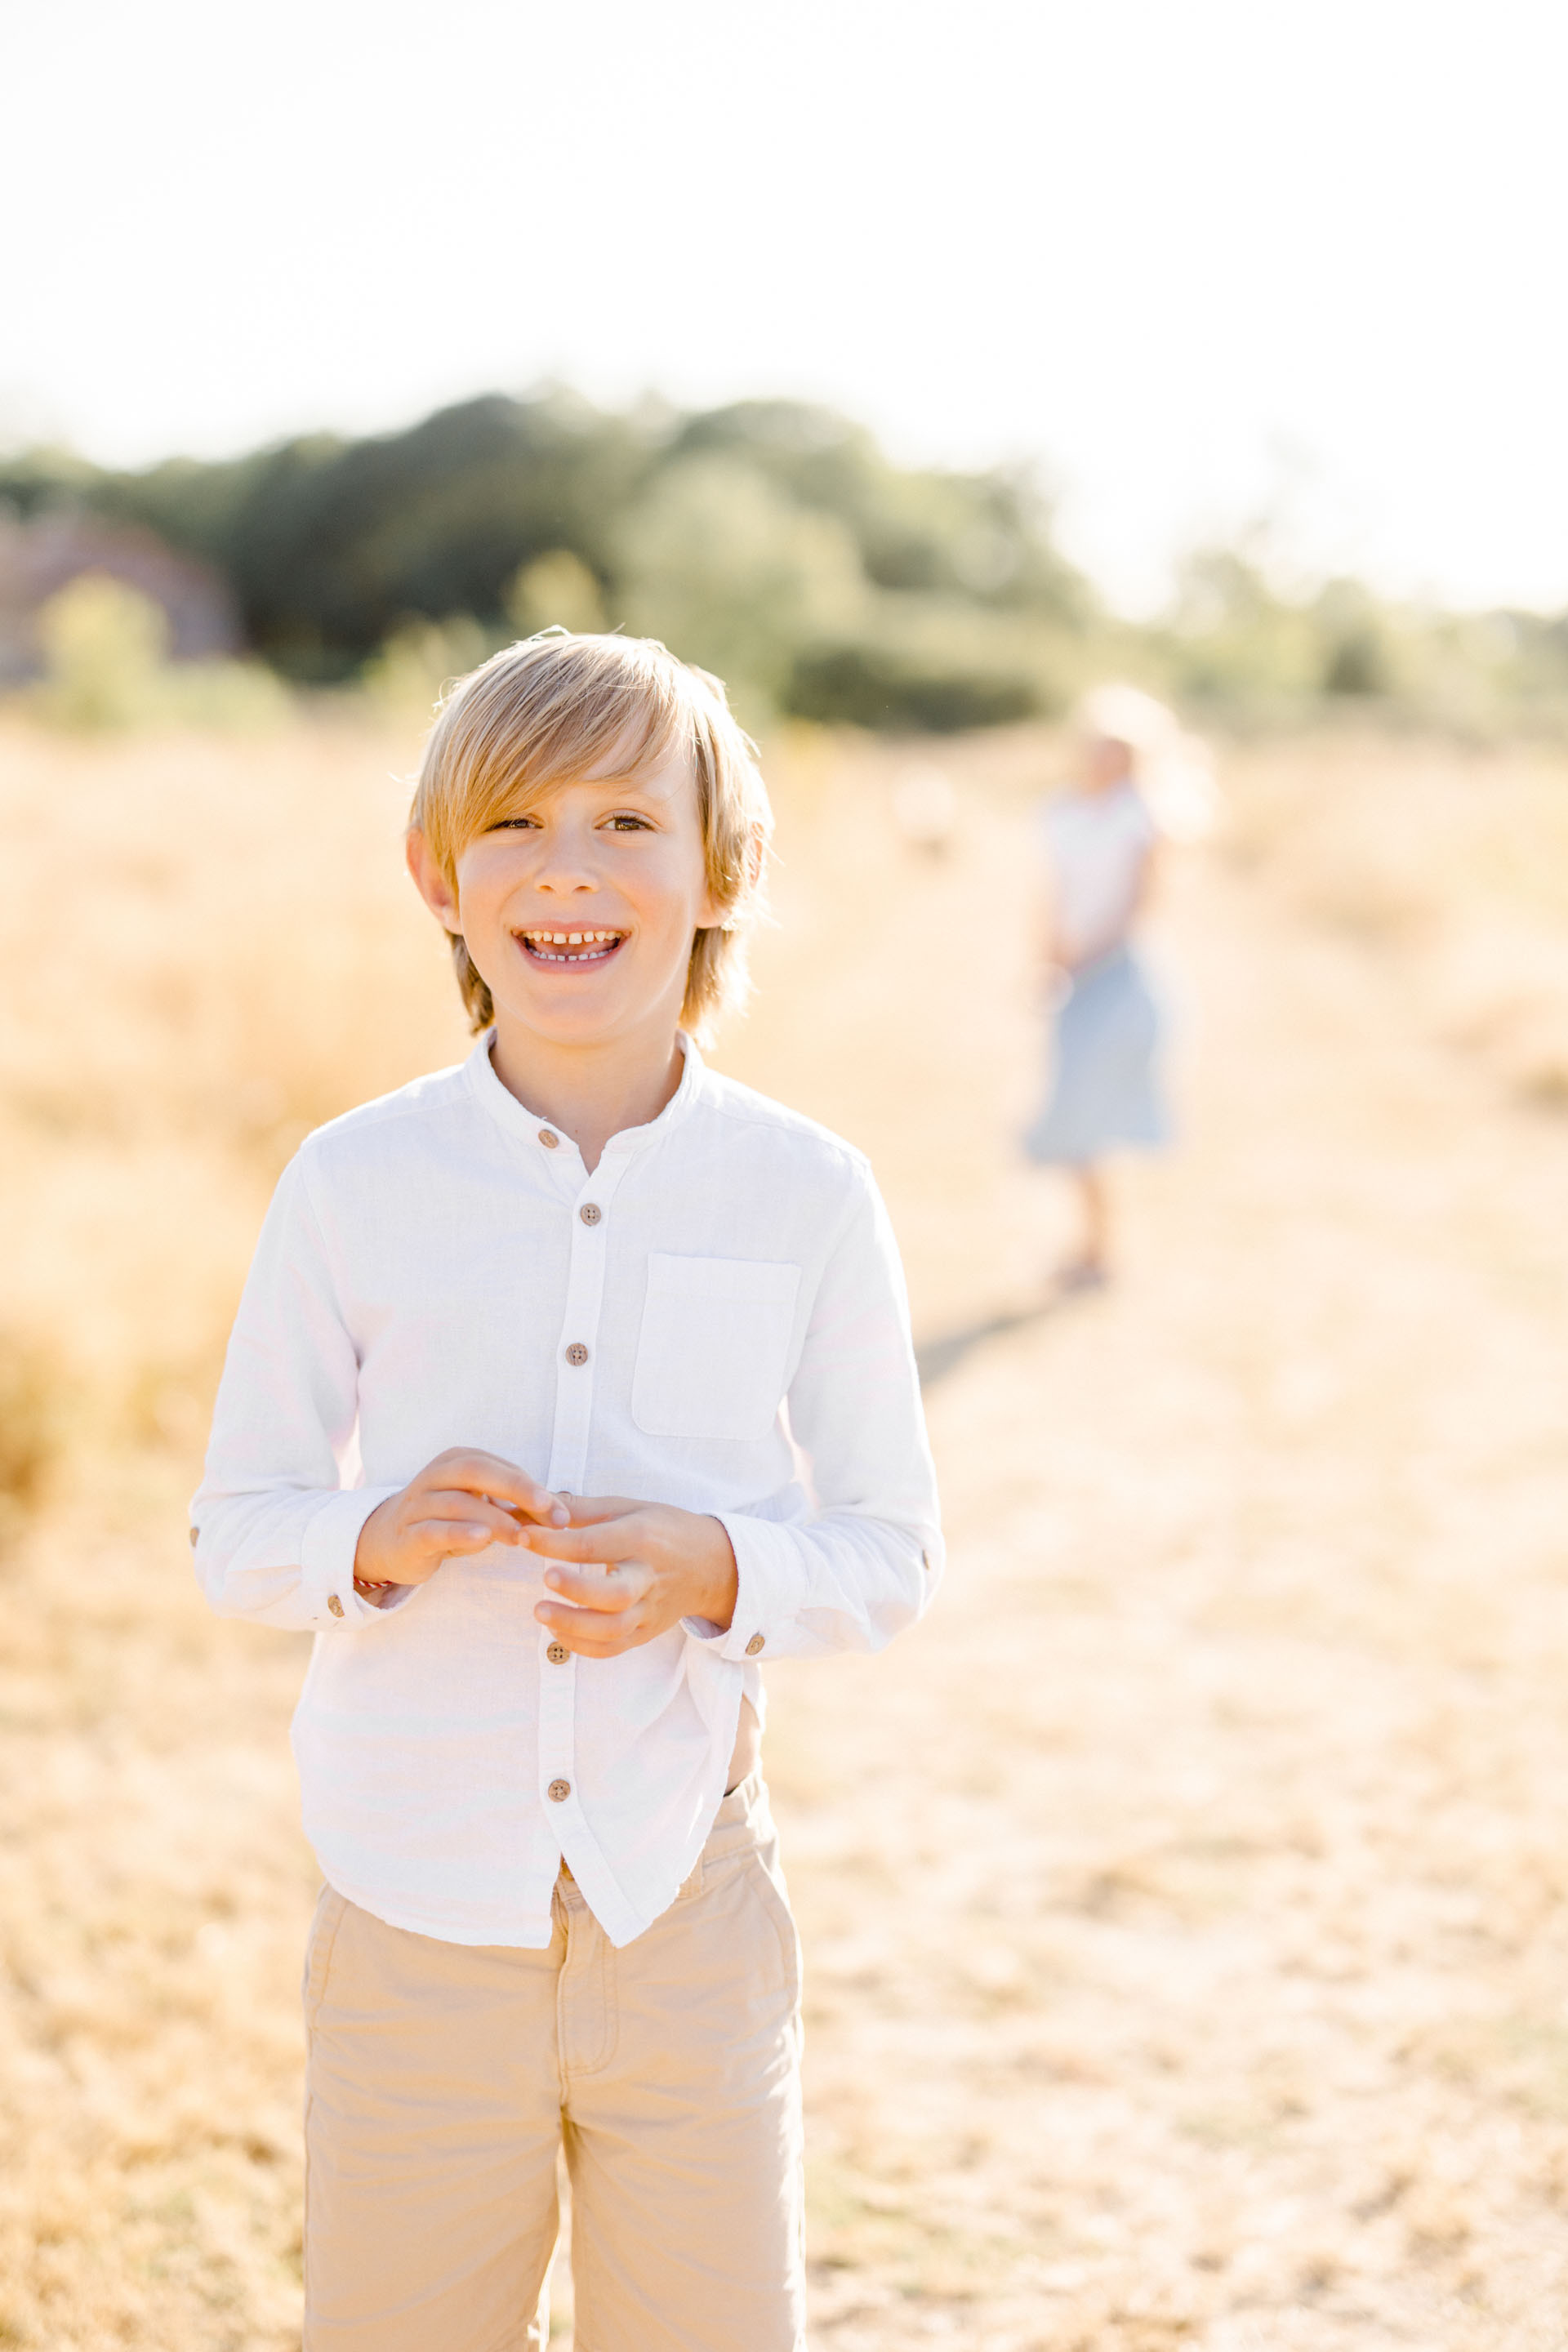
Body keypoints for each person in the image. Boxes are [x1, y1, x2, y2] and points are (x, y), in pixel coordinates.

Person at [189, 632, 942, 2352]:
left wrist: (716, 1567)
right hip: (412, 1918)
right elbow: (238, 1526)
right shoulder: (354, 1184)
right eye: (517, 823)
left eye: (625, 820)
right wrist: (368, 1539)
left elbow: (889, 1551)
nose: (571, 868)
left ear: (718, 871)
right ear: (438, 878)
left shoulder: (806, 1194)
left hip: (685, 1910)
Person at [1023, 684, 1212, 1288]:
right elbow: (1052, 896)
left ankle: (1100, 1251)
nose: (1106, 759)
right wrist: (1051, 959)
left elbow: (1141, 905)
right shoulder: (1062, 813)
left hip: (1122, 976)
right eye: (1099, 746)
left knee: (1087, 1116)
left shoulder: (1145, 817)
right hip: (1076, 975)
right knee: (1077, 1116)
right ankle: (1097, 1246)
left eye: (1120, 750)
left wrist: (1083, 956)